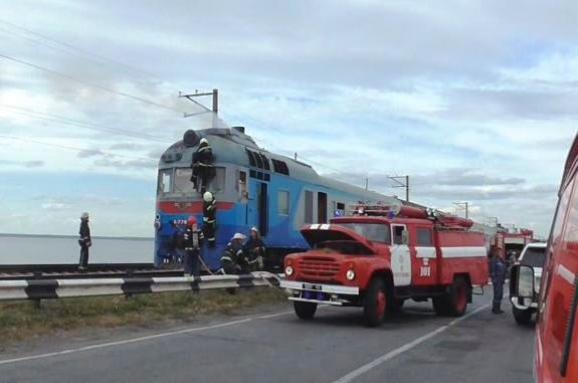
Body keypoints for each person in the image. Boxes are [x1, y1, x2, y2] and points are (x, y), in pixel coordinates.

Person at [490, 249, 507, 314]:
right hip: (497, 279)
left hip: (501, 279)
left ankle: (497, 308)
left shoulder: (501, 260)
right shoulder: (494, 260)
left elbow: (504, 269)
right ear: (496, 253)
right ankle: (495, 309)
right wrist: (494, 279)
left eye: (501, 252)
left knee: (500, 294)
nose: (501, 253)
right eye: (500, 252)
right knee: (497, 294)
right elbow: (493, 270)